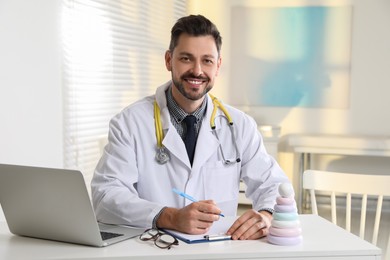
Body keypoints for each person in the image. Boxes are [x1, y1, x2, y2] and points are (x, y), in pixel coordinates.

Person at [91, 14, 290, 240]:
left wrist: (267, 214)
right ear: (169, 60)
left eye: (207, 60)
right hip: (154, 247)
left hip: (218, 248)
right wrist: (169, 216)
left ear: (218, 66)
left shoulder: (240, 125)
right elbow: (105, 196)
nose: (197, 70)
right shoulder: (129, 123)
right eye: (186, 58)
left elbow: (275, 185)